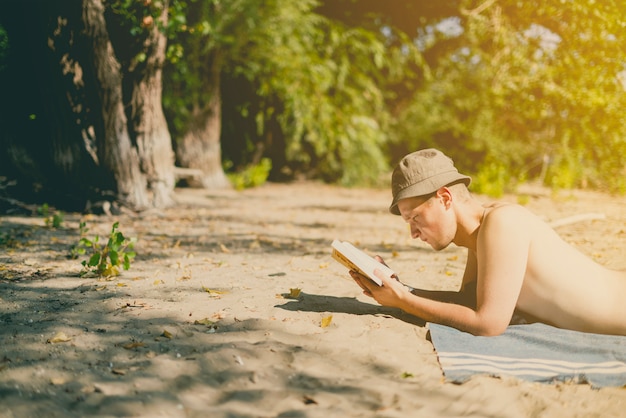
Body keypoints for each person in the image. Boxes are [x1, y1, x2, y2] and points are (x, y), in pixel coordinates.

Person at [349, 148, 626, 336]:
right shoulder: (481, 234)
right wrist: (399, 288)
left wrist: (404, 302)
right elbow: (469, 303)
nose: (413, 233)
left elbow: (488, 323)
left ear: (445, 198)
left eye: (416, 217)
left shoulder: (502, 223)